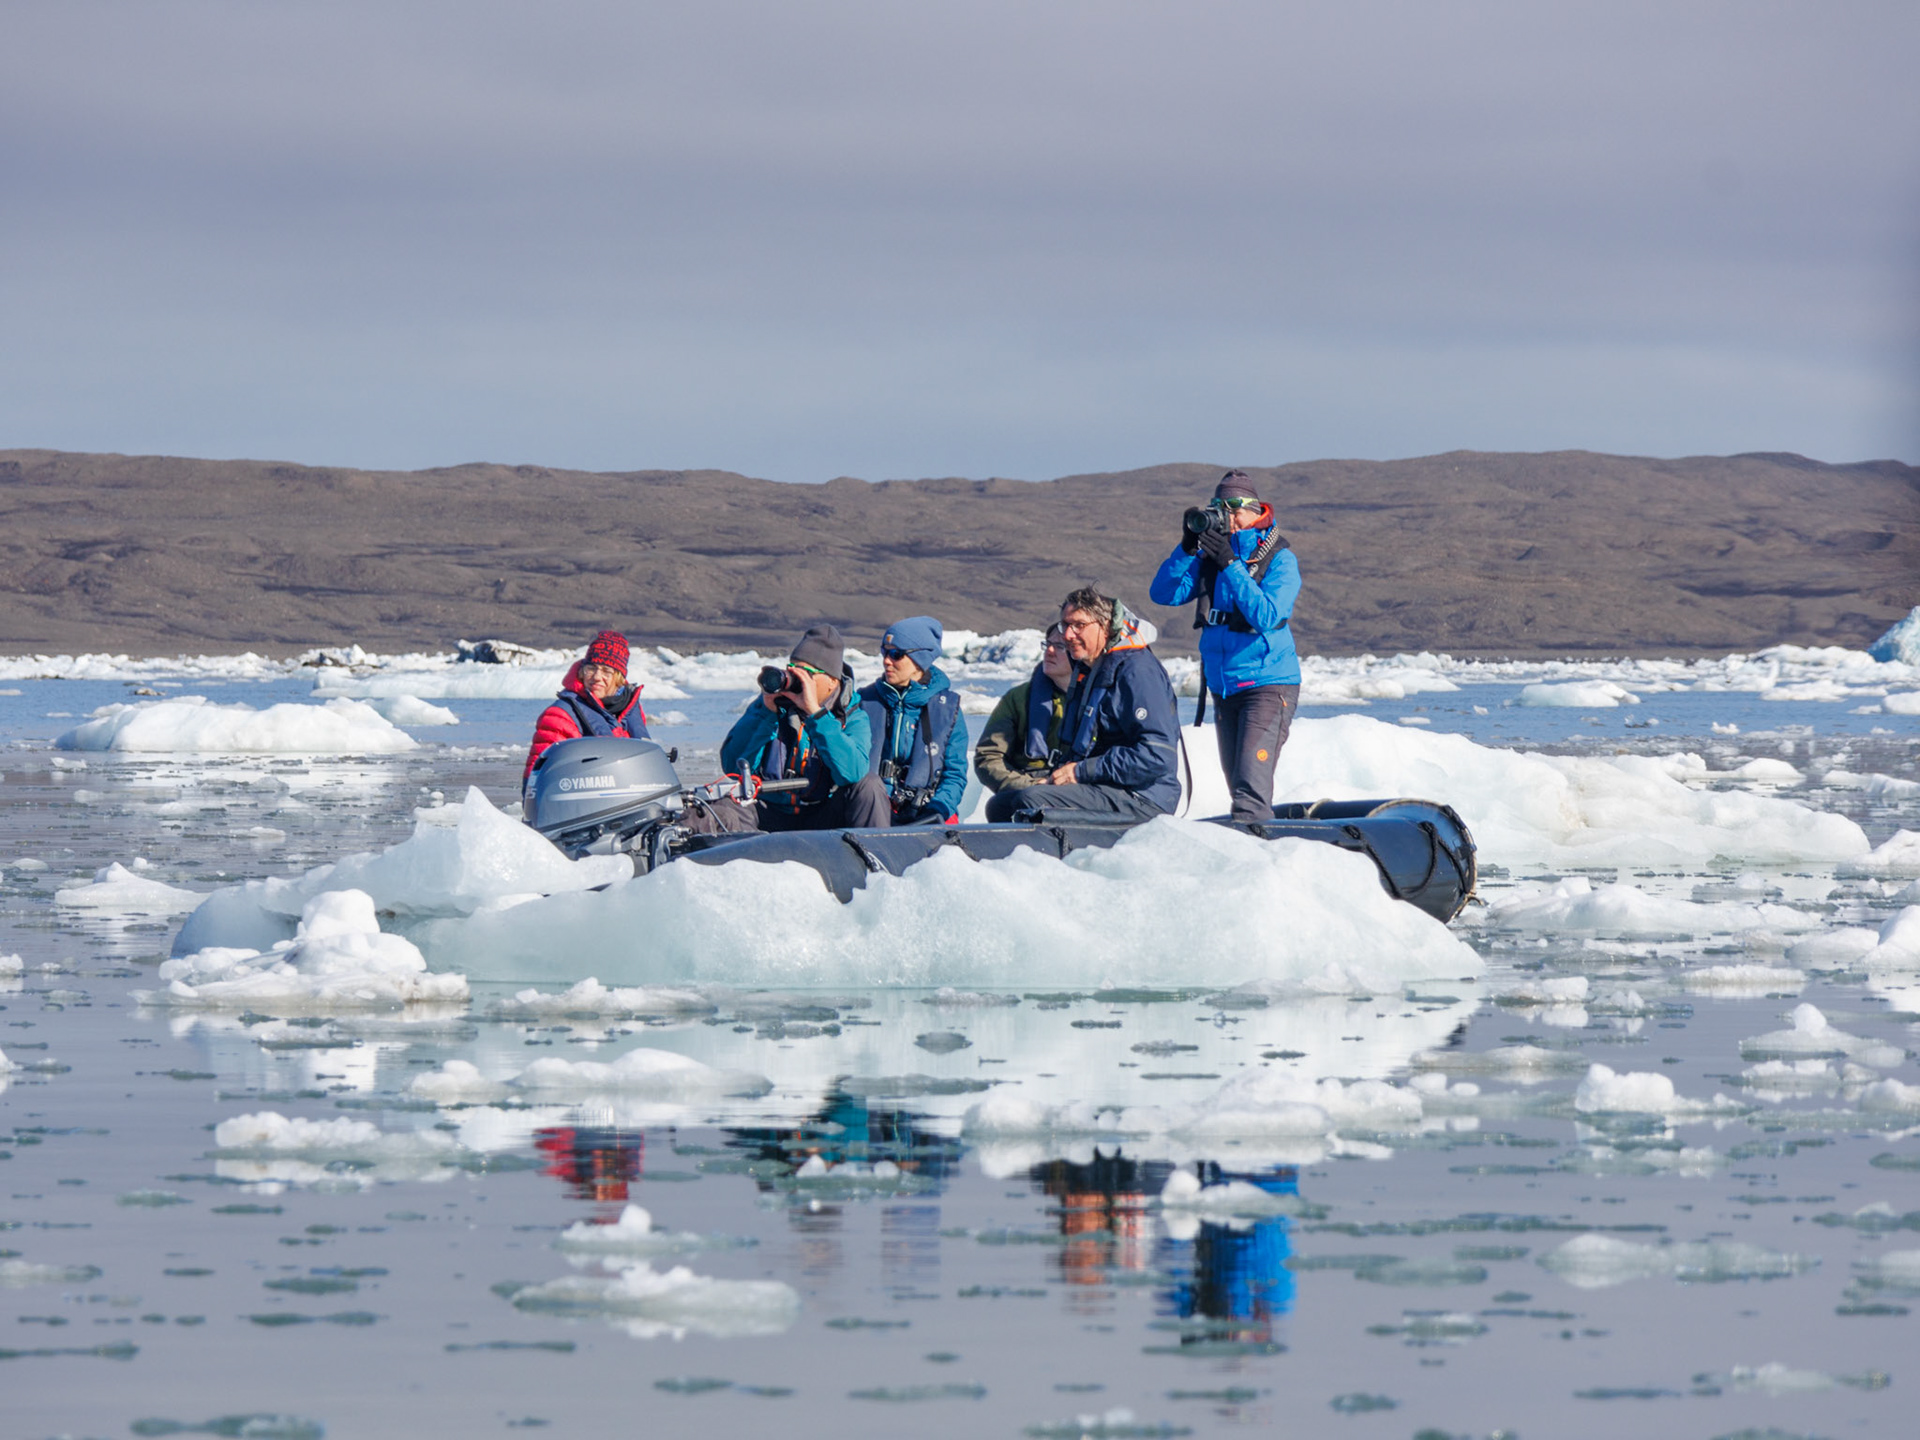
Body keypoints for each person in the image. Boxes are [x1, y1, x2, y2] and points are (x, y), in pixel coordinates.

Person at [1148, 470, 1302, 824]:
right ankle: (1252, 849)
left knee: (1250, 793)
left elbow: (1266, 614)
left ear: (1255, 510)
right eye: (1218, 507)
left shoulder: (1280, 559)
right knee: (1237, 788)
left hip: (1267, 685)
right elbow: (1163, 593)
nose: (1226, 515)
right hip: (1225, 687)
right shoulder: (1209, 557)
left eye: (1233, 507)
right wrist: (1187, 548)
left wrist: (1230, 565)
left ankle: (1260, 861)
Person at [984, 587, 1180, 823]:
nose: (1068, 635)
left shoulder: (1137, 672)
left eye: (1079, 625)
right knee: (1001, 805)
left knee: (1031, 802)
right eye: (1065, 626)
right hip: (1105, 787)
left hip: (1142, 796)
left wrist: (1080, 772)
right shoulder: (1092, 671)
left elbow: (1157, 756)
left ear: (1105, 626)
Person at [717, 623, 891, 831]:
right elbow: (731, 766)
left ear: (832, 681)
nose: (797, 679)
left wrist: (816, 715)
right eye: (793, 670)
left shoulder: (852, 715)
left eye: (807, 673)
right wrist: (766, 714)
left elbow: (852, 773)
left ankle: (871, 856)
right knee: (721, 811)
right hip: (770, 811)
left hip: (823, 816)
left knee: (869, 786)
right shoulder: (770, 706)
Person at [859, 615, 970, 825]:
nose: (886, 661)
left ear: (920, 660)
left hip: (928, 808)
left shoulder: (949, 710)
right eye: (885, 651)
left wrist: (939, 808)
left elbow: (955, 775)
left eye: (896, 654)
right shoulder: (864, 701)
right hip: (874, 805)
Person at [521, 630, 649, 786]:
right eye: (591, 668)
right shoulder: (559, 715)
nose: (596, 677)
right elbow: (536, 777)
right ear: (582, 671)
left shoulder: (630, 711)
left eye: (606, 671)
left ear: (619, 678)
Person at [973, 622, 1073, 795]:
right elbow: (988, 757)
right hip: (1028, 789)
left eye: (1060, 646)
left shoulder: (1102, 700)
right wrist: (1029, 786)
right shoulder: (1018, 698)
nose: (1049, 651)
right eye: (1047, 644)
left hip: (1078, 790)